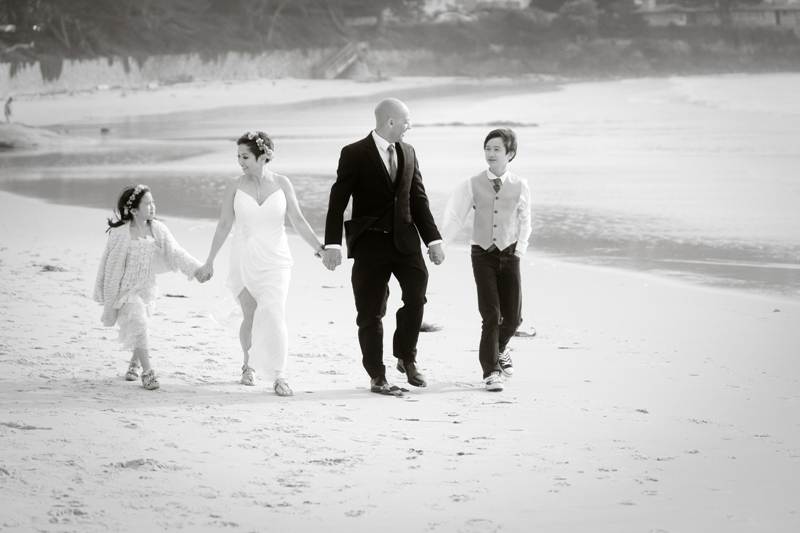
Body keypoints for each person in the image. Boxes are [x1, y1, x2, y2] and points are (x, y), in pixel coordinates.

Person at [321, 98, 445, 396]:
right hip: (370, 244)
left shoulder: (409, 151)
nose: (409, 126)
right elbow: (338, 201)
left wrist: (433, 240)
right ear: (390, 121)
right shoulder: (354, 154)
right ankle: (377, 376)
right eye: (406, 121)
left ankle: (406, 356)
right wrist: (332, 244)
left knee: (416, 296)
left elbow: (418, 199)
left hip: (406, 242)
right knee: (370, 313)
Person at [196, 131, 323, 397]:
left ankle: (279, 376)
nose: (240, 162)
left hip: (275, 259)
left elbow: (298, 220)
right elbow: (223, 224)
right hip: (243, 257)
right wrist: (209, 261)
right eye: (238, 157)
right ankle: (248, 365)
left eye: (245, 156)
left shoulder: (283, 183)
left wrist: (319, 249)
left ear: (263, 156)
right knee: (251, 315)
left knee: (275, 314)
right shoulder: (234, 185)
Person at [440, 128, 531, 392]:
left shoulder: (521, 185)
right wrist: (442, 245)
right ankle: (491, 372)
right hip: (482, 254)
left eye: (497, 149)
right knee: (491, 315)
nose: (490, 153)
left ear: (509, 154)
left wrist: (520, 250)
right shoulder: (472, 183)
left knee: (513, 319)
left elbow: (526, 220)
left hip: (510, 253)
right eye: (487, 148)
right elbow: (456, 216)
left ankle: (501, 347)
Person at [93, 184, 205, 390]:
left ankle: (134, 363)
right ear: (134, 210)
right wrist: (107, 292)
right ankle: (148, 372)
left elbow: (175, 252)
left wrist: (198, 269)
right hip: (127, 291)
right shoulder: (119, 233)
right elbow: (109, 264)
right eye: (147, 203)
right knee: (139, 324)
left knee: (142, 326)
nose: (152, 206)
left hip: (148, 288)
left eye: (153, 202)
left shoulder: (158, 229)